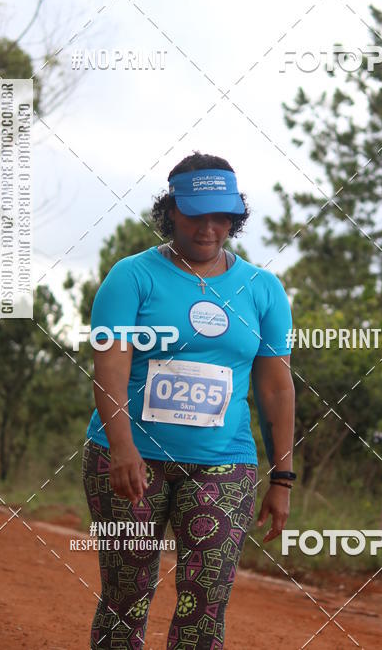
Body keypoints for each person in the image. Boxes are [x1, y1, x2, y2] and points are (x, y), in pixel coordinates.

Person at [82, 151, 296, 649]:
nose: (208, 227)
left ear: (234, 218)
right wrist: (122, 447)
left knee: (206, 598)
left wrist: (283, 477)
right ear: (171, 210)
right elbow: (109, 366)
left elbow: (276, 387)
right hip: (133, 458)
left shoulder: (262, 289)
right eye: (196, 214)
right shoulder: (132, 277)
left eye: (221, 215)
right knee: (126, 593)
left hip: (223, 463)